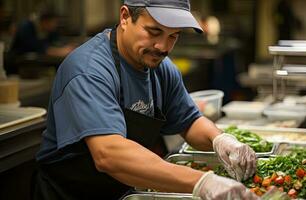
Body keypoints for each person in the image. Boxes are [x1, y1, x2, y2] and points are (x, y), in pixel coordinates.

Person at [33, 0, 258, 199]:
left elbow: (189, 121)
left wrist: (222, 141)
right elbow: (108, 154)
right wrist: (201, 181)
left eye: (173, 36)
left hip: (123, 189)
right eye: (153, 32)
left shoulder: (162, 69)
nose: (162, 47)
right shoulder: (89, 70)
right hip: (70, 193)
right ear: (124, 17)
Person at [10, 10, 75, 57]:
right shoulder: (26, 28)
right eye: (53, 23)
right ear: (45, 22)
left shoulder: (50, 31)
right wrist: (57, 51)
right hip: (20, 61)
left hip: (38, 61)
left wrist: (65, 47)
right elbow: (36, 47)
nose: (55, 25)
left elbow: (56, 41)